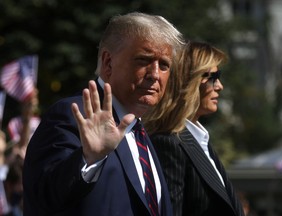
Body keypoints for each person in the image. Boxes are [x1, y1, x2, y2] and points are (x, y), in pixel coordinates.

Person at [23, 12, 184, 216]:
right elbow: (44, 197)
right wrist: (89, 159)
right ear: (108, 62)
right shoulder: (73, 114)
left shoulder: (139, 132)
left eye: (164, 65)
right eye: (144, 60)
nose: (155, 74)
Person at [143, 41, 245, 216]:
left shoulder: (200, 140)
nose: (219, 86)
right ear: (188, 82)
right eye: (212, 77)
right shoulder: (168, 143)